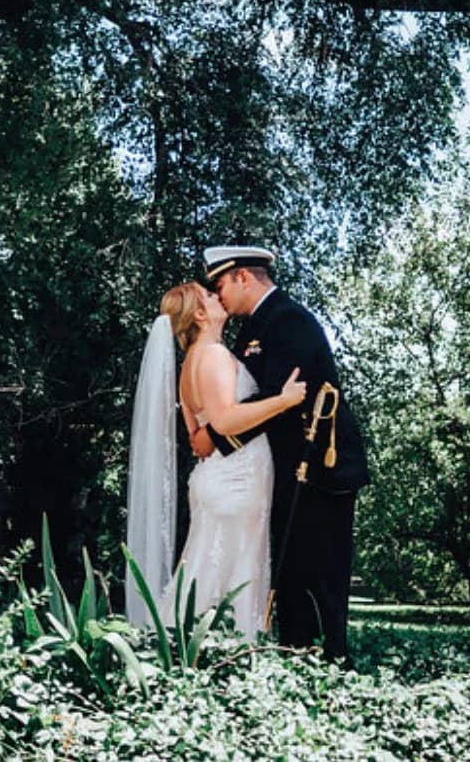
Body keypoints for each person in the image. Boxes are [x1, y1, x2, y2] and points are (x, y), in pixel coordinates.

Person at [190, 246, 369, 660]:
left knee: (320, 567)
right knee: (290, 566)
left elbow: (279, 399)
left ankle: (331, 658)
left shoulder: (288, 321)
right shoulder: (255, 327)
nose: (219, 297)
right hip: (286, 466)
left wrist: (216, 439)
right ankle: (297, 651)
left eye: (220, 285)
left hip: (320, 464)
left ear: (243, 278)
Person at [126, 282, 306, 640]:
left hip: (216, 477)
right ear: (199, 313)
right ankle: (234, 648)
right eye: (209, 296)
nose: (217, 297)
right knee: (235, 568)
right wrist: (284, 401)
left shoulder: (190, 365)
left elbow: (199, 437)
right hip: (237, 479)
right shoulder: (213, 356)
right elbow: (224, 421)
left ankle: (178, 642)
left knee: (205, 566)